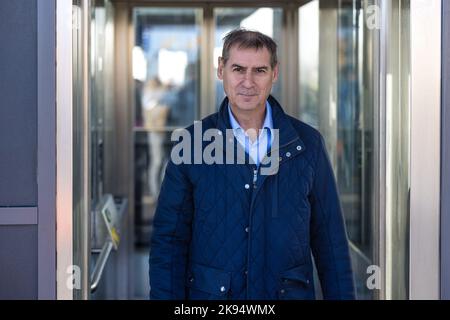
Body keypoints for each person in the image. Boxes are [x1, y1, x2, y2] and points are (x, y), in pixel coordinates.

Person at [149, 29, 355, 300]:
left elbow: (330, 242)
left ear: (274, 73)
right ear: (221, 70)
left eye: (259, 70)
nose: (248, 82)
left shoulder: (308, 143)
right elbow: (169, 243)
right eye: (238, 69)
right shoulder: (191, 144)